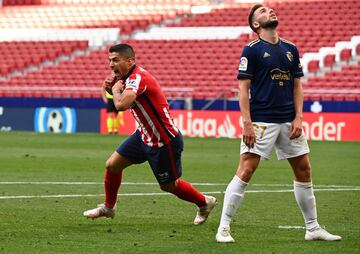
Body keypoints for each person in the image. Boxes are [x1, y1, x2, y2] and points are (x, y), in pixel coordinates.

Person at [215, 4, 342, 243]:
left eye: (270, 9)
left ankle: (312, 228)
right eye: (262, 12)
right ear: (255, 24)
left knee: (303, 170)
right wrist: (247, 123)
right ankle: (223, 228)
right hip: (262, 120)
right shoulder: (251, 50)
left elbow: (297, 86)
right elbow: (243, 88)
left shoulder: (291, 49)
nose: (270, 11)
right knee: (246, 170)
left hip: (288, 121)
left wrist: (298, 117)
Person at [83, 43, 217, 225]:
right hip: (143, 135)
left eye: (115, 60)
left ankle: (204, 202)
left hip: (164, 141)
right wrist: (110, 88)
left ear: (129, 61)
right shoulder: (127, 78)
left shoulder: (138, 78)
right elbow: (124, 97)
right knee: (112, 165)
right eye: (109, 61)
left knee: (169, 185)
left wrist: (113, 91)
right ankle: (109, 207)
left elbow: (121, 104)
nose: (111, 65)